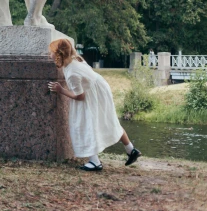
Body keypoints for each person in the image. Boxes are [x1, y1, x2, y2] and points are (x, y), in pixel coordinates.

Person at [47, 39, 142, 171]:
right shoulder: (75, 59)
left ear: (59, 55)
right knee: (109, 121)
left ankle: (95, 162)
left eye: (51, 53)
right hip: (99, 88)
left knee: (85, 124)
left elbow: (80, 96)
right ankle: (131, 150)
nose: (49, 55)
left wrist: (61, 90)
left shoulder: (71, 73)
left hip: (91, 94)